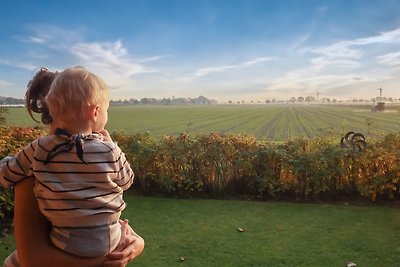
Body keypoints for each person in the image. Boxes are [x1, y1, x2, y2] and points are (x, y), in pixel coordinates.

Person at [1, 67, 144, 266]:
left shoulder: (37, 155)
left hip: (67, 244)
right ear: (94, 111)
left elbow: (5, 172)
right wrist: (113, 252)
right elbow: (32, 260)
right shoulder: (31, 176)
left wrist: (137, 243)